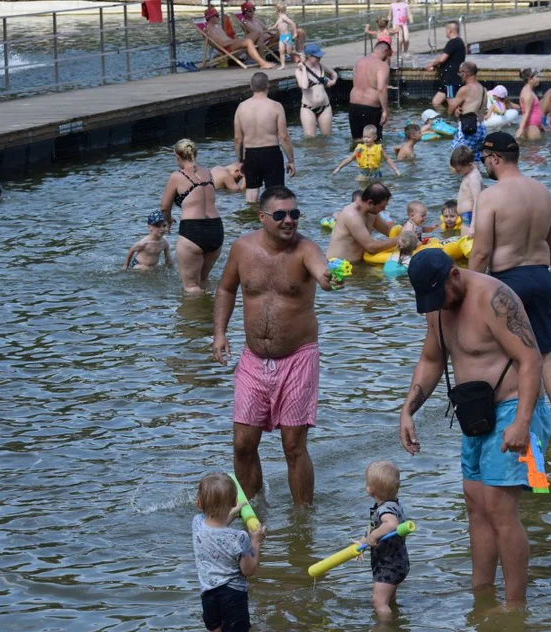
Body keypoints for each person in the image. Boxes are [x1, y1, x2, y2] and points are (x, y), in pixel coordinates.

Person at [399, 250, 548, 604]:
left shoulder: (495, 299)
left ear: (454, 275)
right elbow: (431, 359)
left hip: (516, 408)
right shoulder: (437, 305)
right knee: (475, 505)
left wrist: (522, 423)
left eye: (441, 296)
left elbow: (531, 359)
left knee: (499, 508)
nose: (440, 306)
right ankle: (482, 593)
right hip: (474, 413)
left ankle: (515, 605)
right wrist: (407, 411)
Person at [212, 187, 342, 505]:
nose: (289, 221)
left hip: (298, 358)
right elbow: (226, 290)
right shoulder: (242, 249)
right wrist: (219, 333)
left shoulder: (306, 249)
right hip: (253, 359)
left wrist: (331, 279)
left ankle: (302, 520)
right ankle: (253, 509)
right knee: (243, 443)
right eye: (281, 215)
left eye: (294, 214)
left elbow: (323, 273)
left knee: (293, 445)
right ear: (262, 217)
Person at [470, 132, 551, 412]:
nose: (484, 165)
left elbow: (480, 253)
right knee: (545, 353)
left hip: (506, 282)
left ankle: (526, 419)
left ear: (496, 158)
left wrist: (469, 291)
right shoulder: (544, 192)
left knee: (517, 356)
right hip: (540, 277)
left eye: (485, 159)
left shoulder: (491, 197)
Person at [192, 472, 266, 632]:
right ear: (234, 501)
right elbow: (248, 570)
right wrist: (256, 542)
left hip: (208, 596)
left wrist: (234, 511)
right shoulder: (239, 538)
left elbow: (215, 522)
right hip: (232, 596)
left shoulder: (196, 525)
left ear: (199, 503)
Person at [160, 139, 222, 294]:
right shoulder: (208, 173)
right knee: (203, 280)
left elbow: (164, 206)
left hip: (193, 230)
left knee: (191, 287)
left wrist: (167, 219)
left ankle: (193, 318)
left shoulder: (177, 176)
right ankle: (211, 316)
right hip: (216, 229)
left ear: (177, 156)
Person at [234, 73, 295, 204]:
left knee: (251, 193)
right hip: (271, 153)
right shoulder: (276, 106)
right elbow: (284, 137)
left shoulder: (241, 108)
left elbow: (238, 138)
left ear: (251, 86)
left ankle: (250, 221)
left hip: (250, 154)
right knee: (275, 195)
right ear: (268, 85)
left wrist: (239, 161)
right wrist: (291, 160)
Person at [359, 460, 410, 619]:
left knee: (378, 602)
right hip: (398, 562)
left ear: (369, 490)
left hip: (388, 566)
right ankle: (395, 618)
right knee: (389, 600)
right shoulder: (394, 505)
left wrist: (373, 536)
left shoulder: (385, 510)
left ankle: (386, 631)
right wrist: (363, 542)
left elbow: (391, 524)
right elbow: (375, 527)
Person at [327, 183, 398, 262]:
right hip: (340, 267)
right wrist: (399, 240)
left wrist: (408, 232)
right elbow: (370, 247)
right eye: (382, 207)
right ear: (370, 202)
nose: (384, 209)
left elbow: (388, 230)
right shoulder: (352, 215)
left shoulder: (372, 212)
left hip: (360, 263)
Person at [203, 7, 275, 70]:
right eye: (216, 16)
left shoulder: (217, 27)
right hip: (228, 49)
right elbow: (222, 44)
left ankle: (261, 59)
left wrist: (237, 40)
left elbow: (226, 39)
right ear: (210, 17)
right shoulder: (209, 30)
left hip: (232, 44)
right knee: (248, 41)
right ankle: (262, 63)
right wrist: (237, 40)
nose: (218, 17)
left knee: (257, 33)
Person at [350, 42, 392, 141]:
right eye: (388, 55)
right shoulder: (382, 65)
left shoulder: (359, 61)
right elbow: (381, 88)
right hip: (370, 107)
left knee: (358, 140)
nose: (387, 58)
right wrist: (385, 110)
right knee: (374, 142)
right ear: (385, 51)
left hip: (354, 105)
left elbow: (355, 82)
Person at [332, 125, 401, 184]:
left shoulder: (379, 148)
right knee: (361, 185)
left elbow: (387, 159)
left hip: (376, 173)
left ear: (374, 137)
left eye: (368, 137)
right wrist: (339, 167)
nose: (366, 139)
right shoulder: (359, 148)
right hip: (363, 172)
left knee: (376, 188)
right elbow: (350, 158)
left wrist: (395, 170)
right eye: (364, 137)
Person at [447, 62, 488, 162]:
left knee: (456, 160)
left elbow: (450, 110)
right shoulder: (483, 89)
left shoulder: (465, 89)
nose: (459, 75)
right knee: (474, 161)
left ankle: (454, 178)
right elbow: (481, 109)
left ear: (466, 73)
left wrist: (454, 109)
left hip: (468, 129)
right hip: (481, 129)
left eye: (460, 73)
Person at [296, 43, 338, 137]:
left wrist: (333, 81)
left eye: (320, 56)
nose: (320, 59)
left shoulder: (321, 66)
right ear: (309, 56)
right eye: (317, 57)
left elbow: (334, 73)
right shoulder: (299, 71)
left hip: (325, 107)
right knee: (310, 140)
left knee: (327, 138)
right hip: (308, 108)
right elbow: (304, 85)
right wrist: (304, 69)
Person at [426, 22, 467, 110]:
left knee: (452, 104)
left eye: (446, 30)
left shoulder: (453, 42)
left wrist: (432, 64)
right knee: (436, 102)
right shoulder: (458, 42)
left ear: (449, 31)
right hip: (446, 81)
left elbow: (442, 59)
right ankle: (445, 118)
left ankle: (455, 120)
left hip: (451, 81)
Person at [450, 146, 482, 237]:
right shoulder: (470, 172)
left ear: (469, 164)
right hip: (467, 217)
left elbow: (477, 201)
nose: (456, 172)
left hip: (470, 217)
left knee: (467, 246)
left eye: (459, 170)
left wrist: (473, 225)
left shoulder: (473, 178)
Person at [515, 69, 544, 141]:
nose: (538, 79)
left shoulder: (527, 90)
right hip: (532, 127)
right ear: (530, 79)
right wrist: (520, 129)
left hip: (533, 125)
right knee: (534, 149)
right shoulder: (528, 94)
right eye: (536, 77)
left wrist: (540, 125)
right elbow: (526, 113)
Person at [270, 3, 298, 68]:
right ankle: (283, 65)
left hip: (287, 36)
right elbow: (275, 26)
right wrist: (270, 28)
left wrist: (295, 33)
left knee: (289, 52)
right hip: (282, 37)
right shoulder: (279, 17)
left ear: (279, 11)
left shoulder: (283, 16)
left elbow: (292, 23)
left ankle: (299, 54)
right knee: (281, 51)